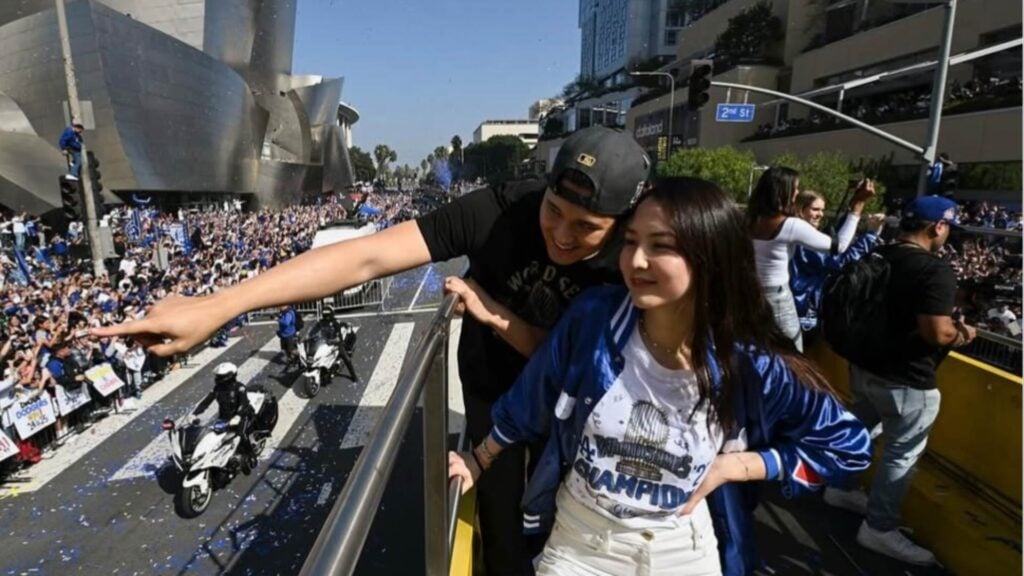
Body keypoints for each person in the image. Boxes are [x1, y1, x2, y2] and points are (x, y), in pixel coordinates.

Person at [94, 126, 652, 575]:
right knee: (503, 530)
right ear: (543, 188)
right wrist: (219, 305)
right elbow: (366, 258)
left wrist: (493, 314)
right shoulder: (502, 210)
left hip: (581, 403)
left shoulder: (635, 259)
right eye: (554, 210)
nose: (561, 234)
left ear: (624, 226)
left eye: (587, 227)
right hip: (493, 391)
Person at [448, 178, 871, 576]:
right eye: (631, 241)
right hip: (581, 545)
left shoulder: (748, 362)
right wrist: (478, 459)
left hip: (682, 550)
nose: (636, 260)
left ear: (710, 257)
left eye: (660, 246)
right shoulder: (597, 319)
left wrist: (735, 466)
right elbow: (532, 396)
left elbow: (847, 447)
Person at [824, 195, 976, 566]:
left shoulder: (880, 255)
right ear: (937, 226)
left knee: (862, 427)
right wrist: (964, 334)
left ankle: (839, 487)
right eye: (948, 227)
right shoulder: (934, 270)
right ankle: (879, 528)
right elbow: (935, 333)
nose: (948, 234)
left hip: (864, 368)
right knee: (901, 454)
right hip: (908, 380)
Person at [747, 167, 874, 351]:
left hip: (750, 292)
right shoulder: (790, 225)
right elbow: (839, 247)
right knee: (792, 352)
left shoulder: (751, 220)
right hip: (777, 297)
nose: (797, 193)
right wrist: (857, 207)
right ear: (783, 191)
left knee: (758, 346)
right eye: (795, 188)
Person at [789, 190, 886, 335]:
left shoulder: (793, 231)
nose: (820, 214)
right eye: (815, 209)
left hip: (799, 305)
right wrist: (870, 235)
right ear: (800, 210)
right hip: (803, 309)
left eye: (822, 210)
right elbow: (841, 262)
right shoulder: (804, 239)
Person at [192, 362, 257, 472]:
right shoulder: (217, 389)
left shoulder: (240, 388)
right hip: (224, 417)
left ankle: (251, 456)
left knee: (241, 435)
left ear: (230, 376)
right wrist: (196, 413)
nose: (218, 378)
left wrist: (238, 416)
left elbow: (243, 404)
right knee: (214, 437)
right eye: (217, 376)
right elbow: (206, 401)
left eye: (221, 377)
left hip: (242, 416)